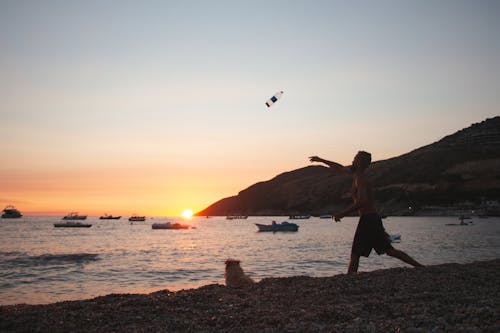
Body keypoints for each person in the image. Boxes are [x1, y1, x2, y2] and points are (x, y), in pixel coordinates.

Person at [309, 151, 424, 273]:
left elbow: (362, 201)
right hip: (372, 219)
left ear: (359, 162)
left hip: (368, 219)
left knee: (355, 253)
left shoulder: (361, 179)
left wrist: (342, 213)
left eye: (355, 158)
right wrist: (321, 160)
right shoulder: (356, 175)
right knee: (389, 250)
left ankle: (349, 279)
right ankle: (421, 268)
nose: (352, 160)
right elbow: (339, 167)